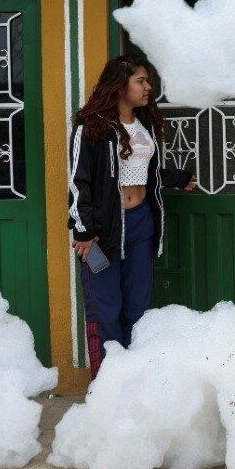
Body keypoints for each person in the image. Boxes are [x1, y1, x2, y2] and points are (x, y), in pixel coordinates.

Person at [69, 54, 195, 378]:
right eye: (141, 80)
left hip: (141, 223)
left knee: (137, 307)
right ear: (119, 84)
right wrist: (83, 231)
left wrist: (178, 179)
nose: (148, 87)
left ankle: (131, 381)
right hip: (102, 231)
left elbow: (144, 173)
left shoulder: (144, 126)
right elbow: (78, 181)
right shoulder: (92, 127)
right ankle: (105, 386)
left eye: (148, 81)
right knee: (105, 307)